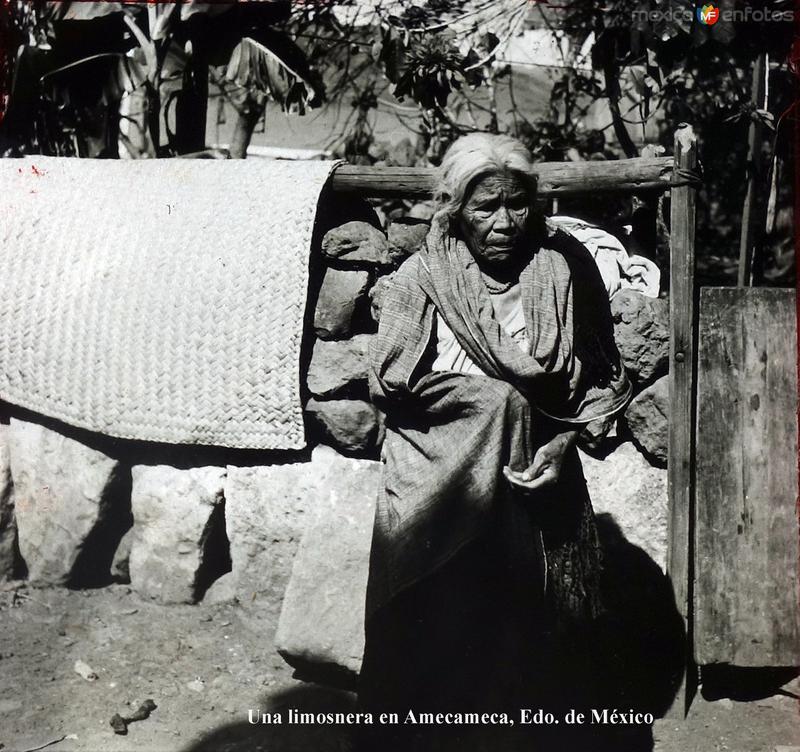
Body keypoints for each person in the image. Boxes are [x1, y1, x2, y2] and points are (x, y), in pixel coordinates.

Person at [358, 133, 633, 751]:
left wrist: (560, 446)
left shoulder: (563, 271)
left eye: (517, 204)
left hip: (535, 490)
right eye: (485, 207)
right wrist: (491, 406)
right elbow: (395, 390)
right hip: (439, 493)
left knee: (529, 656)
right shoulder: (419, 281)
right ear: (455, 208)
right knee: (432, 650)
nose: (504, 222)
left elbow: (593, 382)